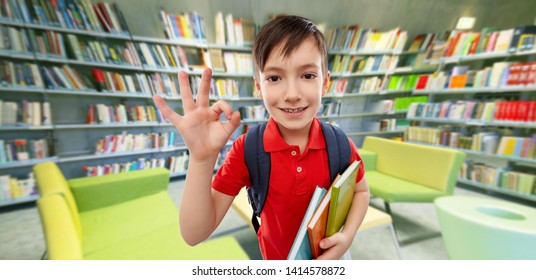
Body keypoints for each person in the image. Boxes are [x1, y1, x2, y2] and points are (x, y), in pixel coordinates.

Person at [153, 15, 370, 260]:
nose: (292, 94)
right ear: (258, 87)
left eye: (307, 75)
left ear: (325, 83)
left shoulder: (339, 143)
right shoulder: (248, 150)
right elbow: (194, 234)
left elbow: (362, 192)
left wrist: (348, 236)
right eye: (274, 78)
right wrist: (202, 159)